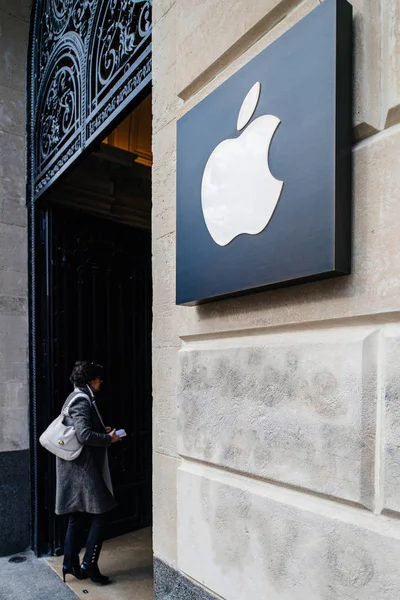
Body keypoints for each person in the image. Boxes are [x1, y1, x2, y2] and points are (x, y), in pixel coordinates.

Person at [55, 360, 120, 585]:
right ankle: (88, 564)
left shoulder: (74, 397)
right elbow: (83, 435)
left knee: (78, 517)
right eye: (98, 378)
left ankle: (69, 564)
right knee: (101, 514)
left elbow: (81, 429)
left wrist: (102, 430)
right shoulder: (82, 400)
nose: (101, 381)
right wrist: (108, 438)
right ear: (91, 380)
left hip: (74, 469)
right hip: (82, 471)